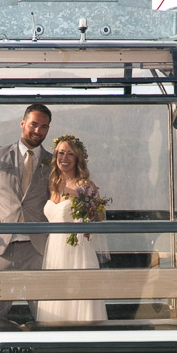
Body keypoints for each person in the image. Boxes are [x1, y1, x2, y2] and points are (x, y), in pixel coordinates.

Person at [0, 104, 53, 321]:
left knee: (46, 314)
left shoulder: (52, 162)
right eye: (33, 124)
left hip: (39, 249)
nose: (38, 131)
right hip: (1, 247)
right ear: (22, 123)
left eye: (44, 127)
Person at [36, 135, 107, 323]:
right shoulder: (53, 184)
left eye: (70, 154)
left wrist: (87, 223)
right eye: (61, 153)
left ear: (78, 158)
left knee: (79, 301)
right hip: (54, 251)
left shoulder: (85, 186)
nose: (64, 158)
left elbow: (98, 217)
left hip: (76, 252)